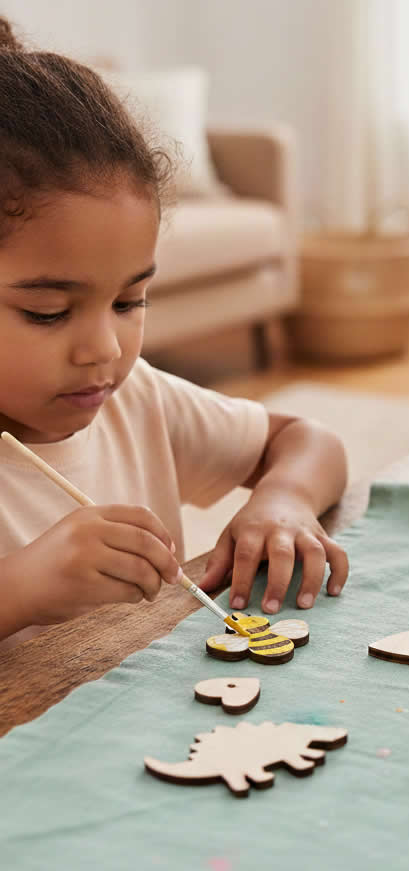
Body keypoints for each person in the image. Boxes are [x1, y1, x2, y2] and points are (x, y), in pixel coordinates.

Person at [0, 18, 348, 643]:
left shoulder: (135, 402)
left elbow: (309, 439)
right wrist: (19, 589)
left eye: (130, 301)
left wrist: (284, 499)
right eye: (48, 312)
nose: (105, 349)